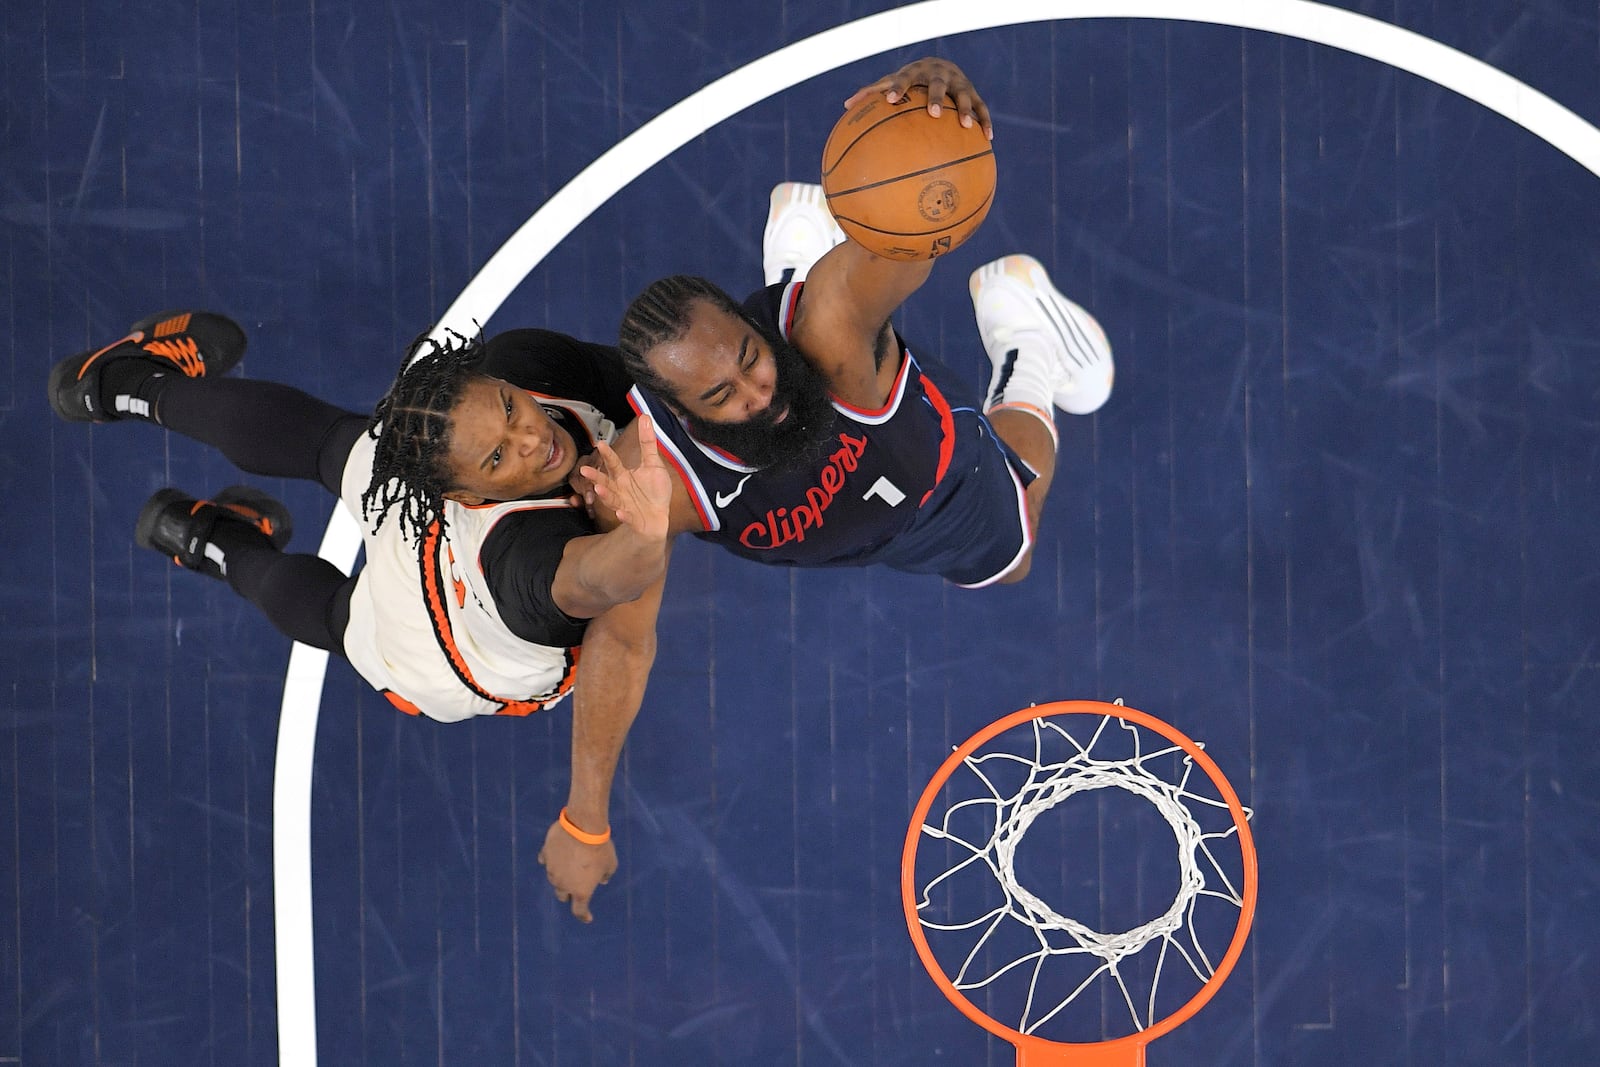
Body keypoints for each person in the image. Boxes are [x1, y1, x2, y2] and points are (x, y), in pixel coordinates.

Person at [47, 312, 671, 922]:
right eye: (499, 456)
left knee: (332, 443)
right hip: (451, 647)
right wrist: (584, 821)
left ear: (500, 382)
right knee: (338, 618)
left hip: (427, 510)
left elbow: (653, 392)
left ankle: (121, 385)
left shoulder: (521, 370)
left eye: (511, 409)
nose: (534, 441)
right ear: (462, 494)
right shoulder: (528, 563)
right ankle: (216, 543)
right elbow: (612, 614)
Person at [601, 56, 1115, 588]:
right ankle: (802, 254)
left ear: (747, 320)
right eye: (719, 396)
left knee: (1014, 553)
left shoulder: (830, 332)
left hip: (935, 486)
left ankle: (1029, 340)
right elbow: (617, 608)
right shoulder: (656, 483)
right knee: (800, 342)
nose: (756, 393)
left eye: (750, 357)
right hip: (870, 526)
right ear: (677, 412)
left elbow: (905, 246)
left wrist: (930, 120)